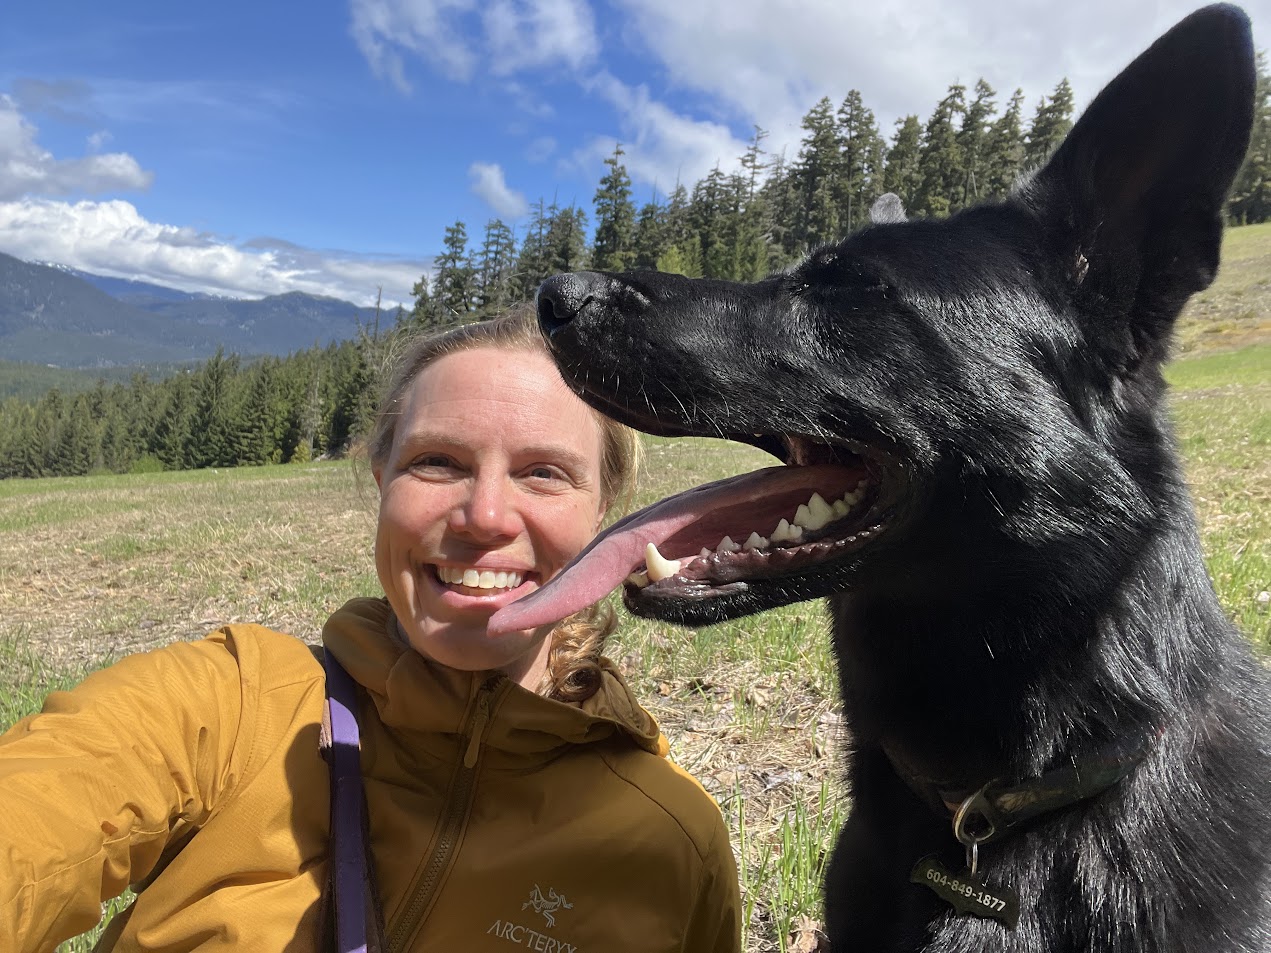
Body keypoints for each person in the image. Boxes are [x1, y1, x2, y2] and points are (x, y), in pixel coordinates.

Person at [0, 305, 742, 952]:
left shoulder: (673, 843)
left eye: (543, 472)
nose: (485, 515)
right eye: (438, 461)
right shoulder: (236, 701)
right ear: (383, 483)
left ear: (604, 509)